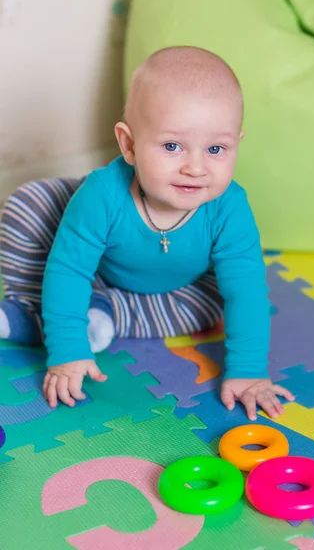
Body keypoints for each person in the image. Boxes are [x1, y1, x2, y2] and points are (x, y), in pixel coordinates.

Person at [0, 46, 294, 419]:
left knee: (211, 306)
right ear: (129, 145)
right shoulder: (103, 194)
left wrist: (249, 371)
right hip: (87, 266)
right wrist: (68, 352)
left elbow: (247, 291)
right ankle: (32, 305)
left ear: (237, 142)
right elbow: (69, 270)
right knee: (31, 205)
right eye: (173, 146)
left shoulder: (229, 207)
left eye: (216, 148)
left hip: (175, 289)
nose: (196, 168)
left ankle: (103, 313)